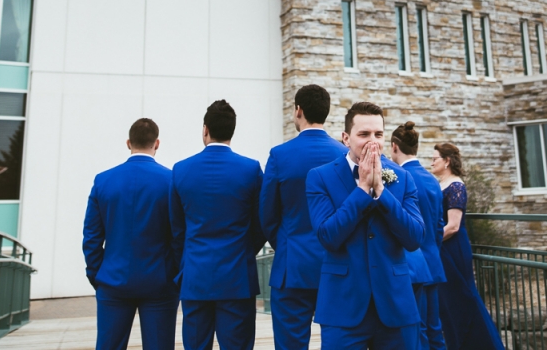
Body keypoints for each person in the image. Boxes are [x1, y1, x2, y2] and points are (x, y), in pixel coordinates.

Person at [306, 101, 425, 350]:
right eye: (364, 134)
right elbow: (328, 236)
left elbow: (415, 237)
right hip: (343, 307)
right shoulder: (320, 177)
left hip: (395, 305)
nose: (373, 142)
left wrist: (381, 191)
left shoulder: (403, 178)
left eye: (378, 134)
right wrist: (362, 190)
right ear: (346, 138)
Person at [170, 100, 265, 350]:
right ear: (232, 130)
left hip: (195, 277)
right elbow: (261, 223)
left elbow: (176, 230)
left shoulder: (181, 170)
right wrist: (245, 250)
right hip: (237, 277)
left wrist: (185, 263)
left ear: (205, 130)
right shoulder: (251, 170)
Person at [260, 84, 348, 350]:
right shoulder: (344, 155)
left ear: (298, 110)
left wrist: (285, 243)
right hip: (337, 264)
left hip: (293, 265)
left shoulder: (280, 155)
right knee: (338, 343)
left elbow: (267, 214)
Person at [83, 118, 179, 350]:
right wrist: (173, 274)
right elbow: (179, 235)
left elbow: (92, 237)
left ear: (128, 143)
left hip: (112, 280)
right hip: (159, 281)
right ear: (157, 143)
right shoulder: (171, 181)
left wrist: (98, 275)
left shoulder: (103, 181)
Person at [431, 142, 505, 350]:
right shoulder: (440, 184)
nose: (432, 162)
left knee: (465, 297)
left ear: (447, 161)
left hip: (454, 248)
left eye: (435, 159)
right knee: (449, 302)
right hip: (442, 248)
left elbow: (453, 226)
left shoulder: (456, 186)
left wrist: (430, 240)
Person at [390, 122, 445, 350]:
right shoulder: (432, 179)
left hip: (410, 265)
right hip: (432, 261)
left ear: (394, 147)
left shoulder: (399, 178)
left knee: (417, 330)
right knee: (435, 329)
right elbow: (439, 226)